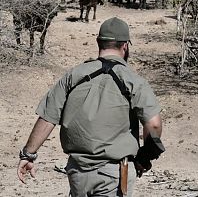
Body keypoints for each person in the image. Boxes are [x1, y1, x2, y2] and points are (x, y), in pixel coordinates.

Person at [17, 17, 163, 197]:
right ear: (125, 46)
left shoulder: (73, 75)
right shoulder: (133, 81)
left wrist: (28, 155)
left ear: (98, 42)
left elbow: (48, 117)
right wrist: (144, 157)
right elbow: (154, 124)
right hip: (114, 173)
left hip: (77, 172)